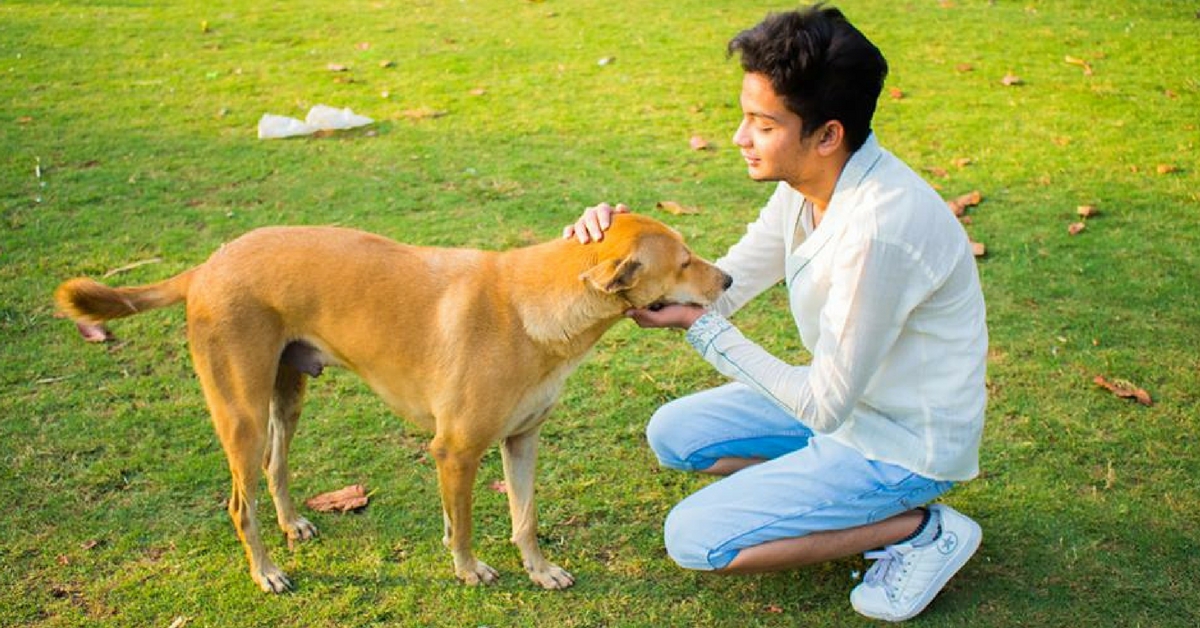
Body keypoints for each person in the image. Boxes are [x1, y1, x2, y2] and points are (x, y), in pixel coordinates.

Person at [563, 4, 987, 622]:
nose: (740, 138)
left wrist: (699, 328)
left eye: (762, 124)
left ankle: (916, 528)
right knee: (674, 434)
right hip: (848, 410)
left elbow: (818, 403)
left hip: (900, 445)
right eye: (744, 117)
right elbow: (720, 289)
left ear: (826, 135)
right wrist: (618, 244)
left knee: (696, 538)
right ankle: (829, 493)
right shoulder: (807, 189)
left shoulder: (879, 232)